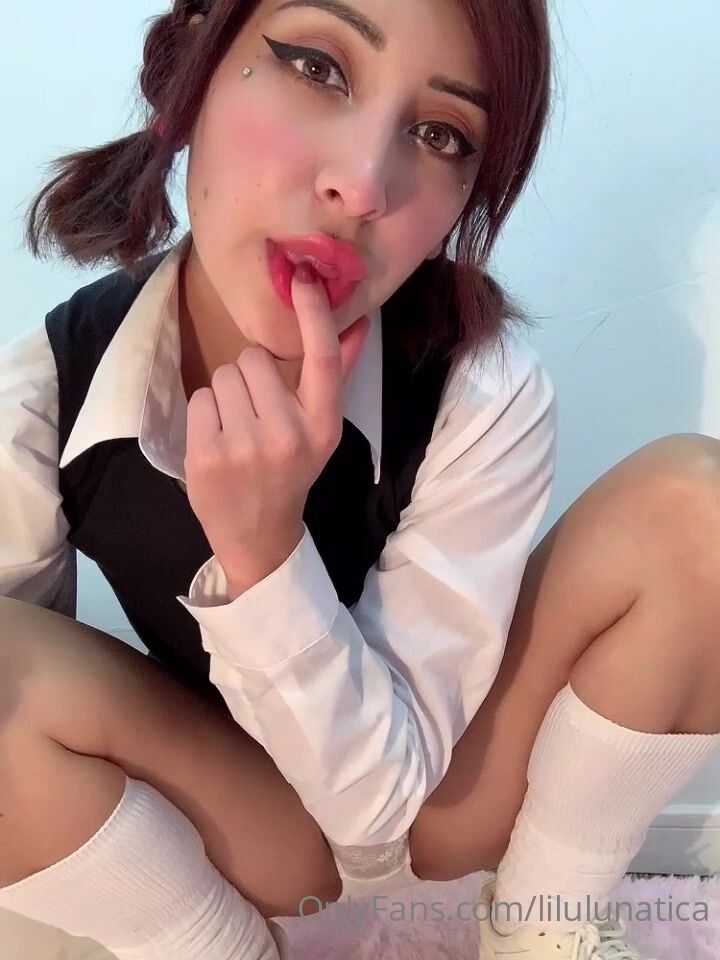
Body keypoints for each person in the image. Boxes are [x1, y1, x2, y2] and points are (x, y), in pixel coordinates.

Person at [0, 1, 718, 958]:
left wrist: (264, 555)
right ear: (192, 67)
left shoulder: (478, 386)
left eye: (441, 133)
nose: (363, 184)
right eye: (317, 67)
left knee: (700, 510)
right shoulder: (50, 392)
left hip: (444, 802)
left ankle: (548, 929)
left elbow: (384, 808)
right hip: (247, 826)